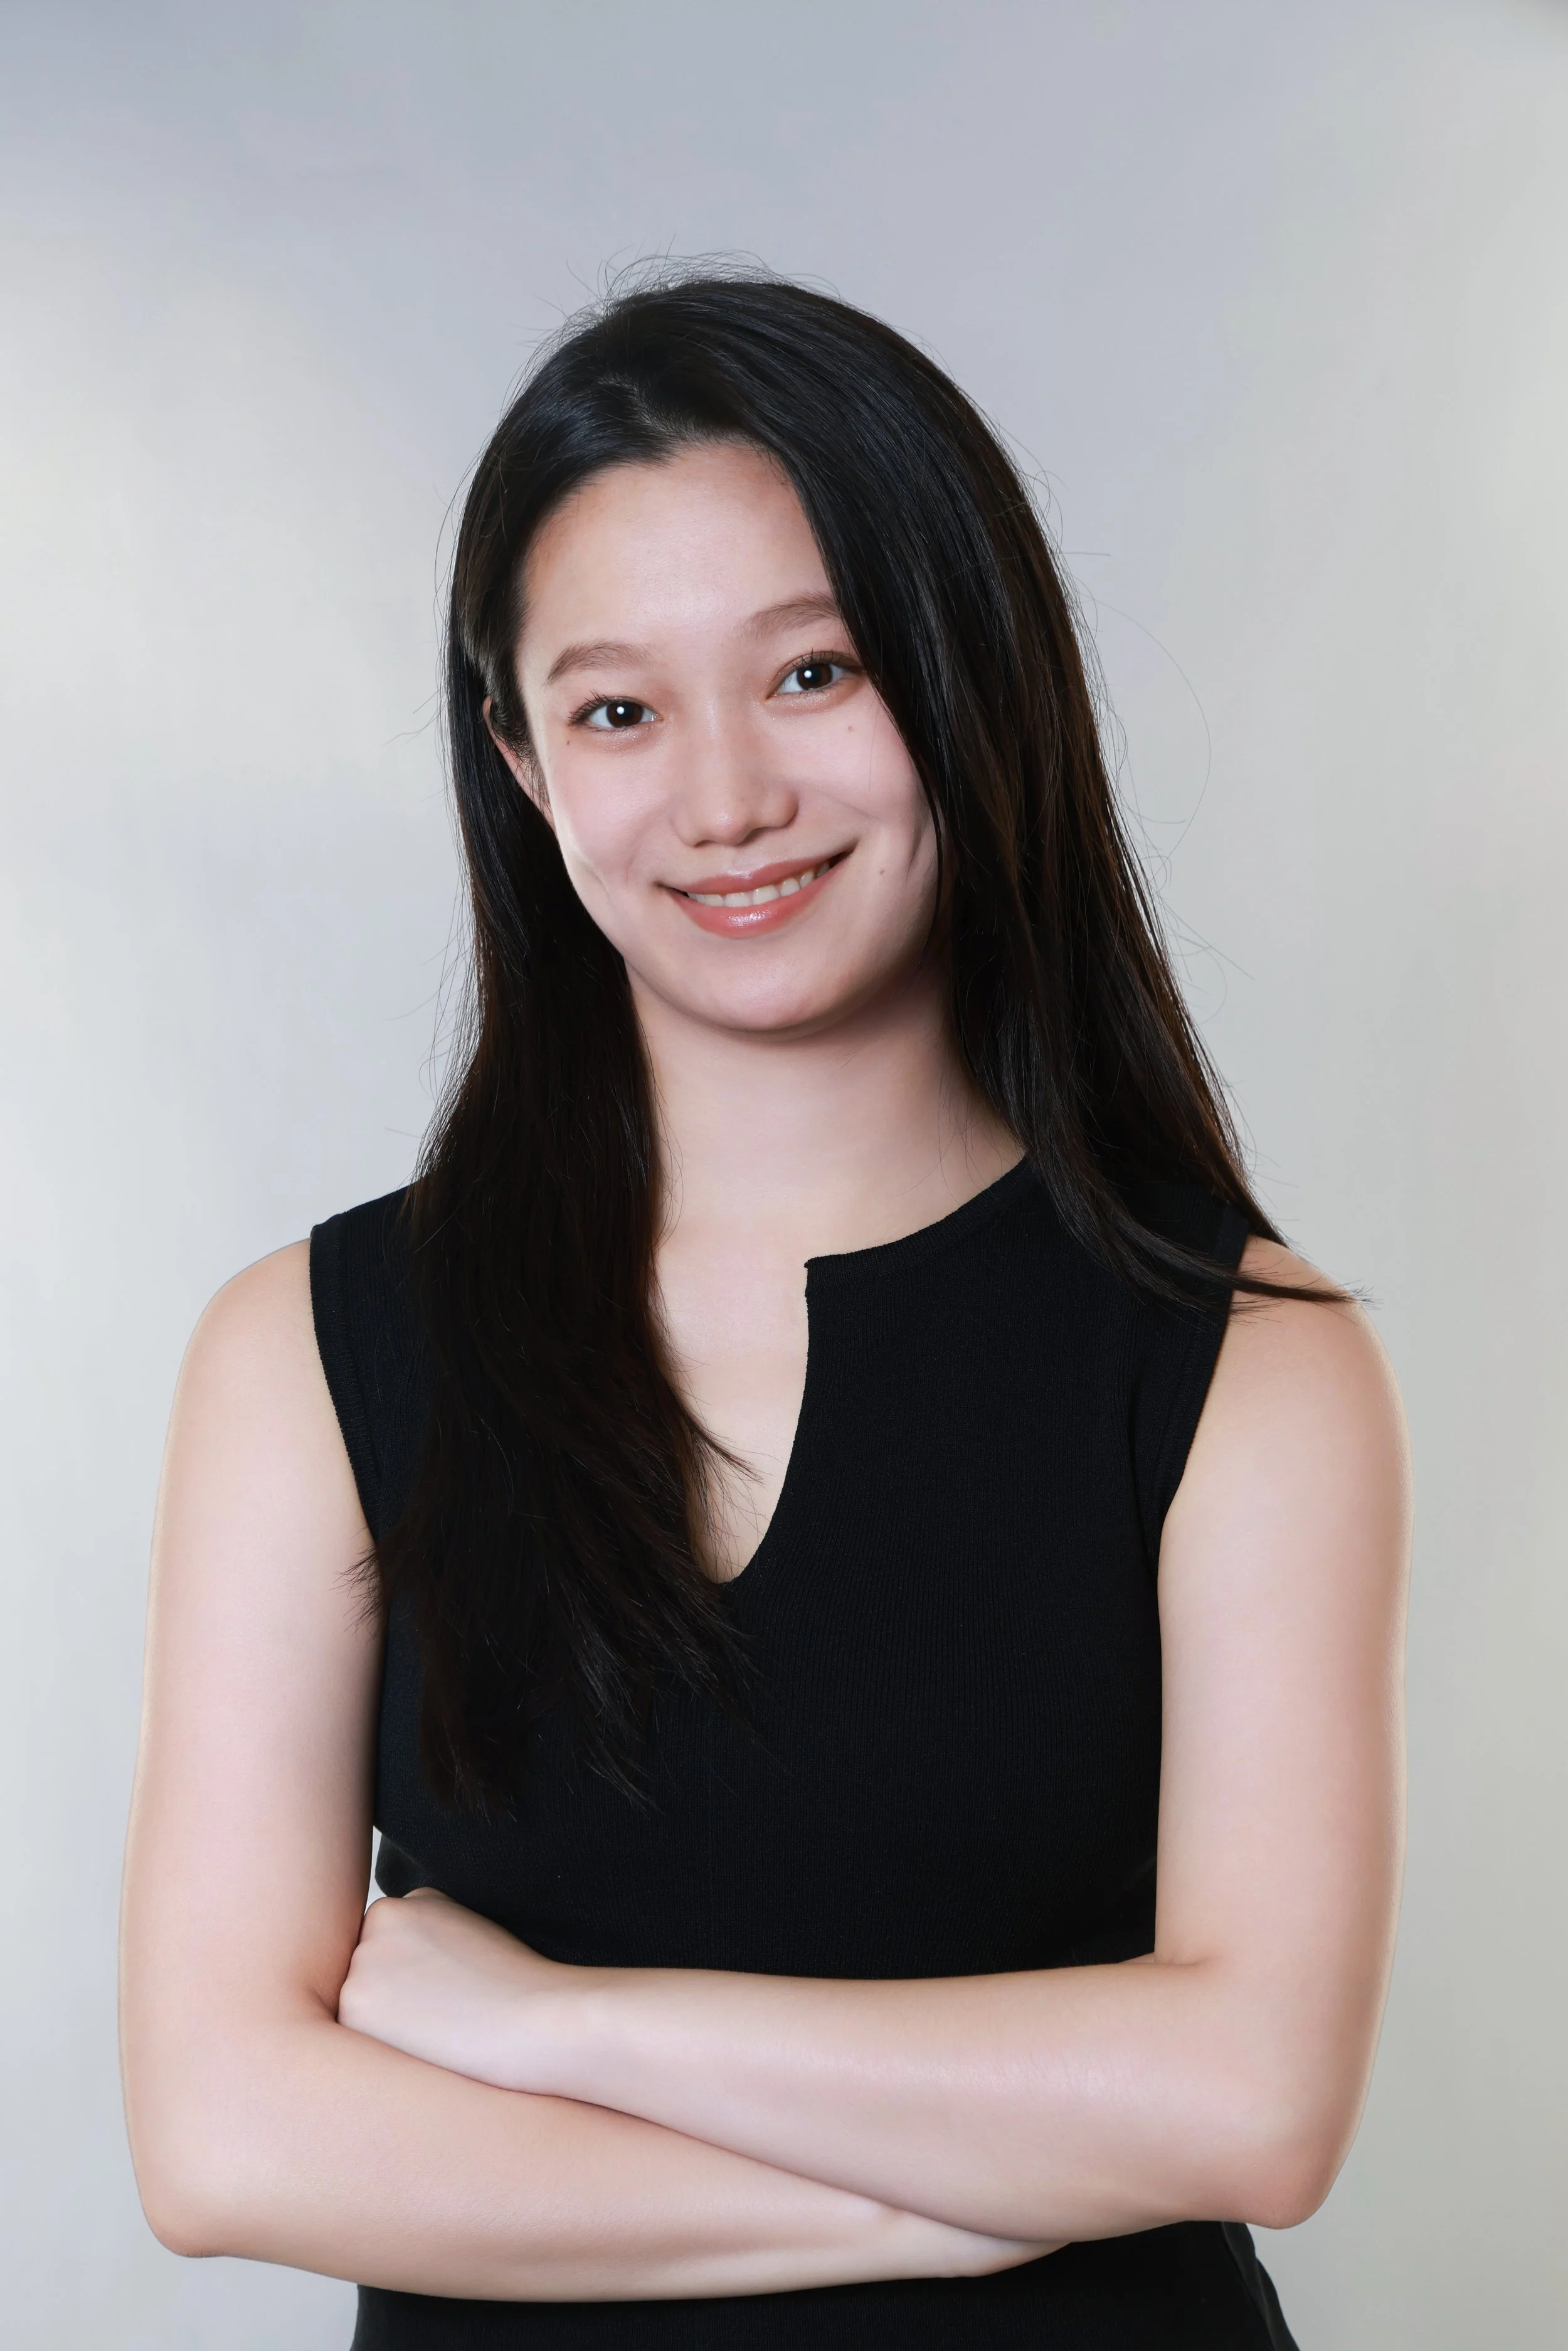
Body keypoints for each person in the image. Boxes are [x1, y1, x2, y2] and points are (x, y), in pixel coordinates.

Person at [119, 272, 1410, 2350]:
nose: (723, 800)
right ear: (522, 763)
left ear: (967, 678)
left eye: (810, 671)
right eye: (619, 709)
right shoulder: (311, 1349)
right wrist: (964, 2199)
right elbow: (227, 2136)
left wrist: (559, 2023)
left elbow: (1252, 2105)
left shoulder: (1246, 1353)